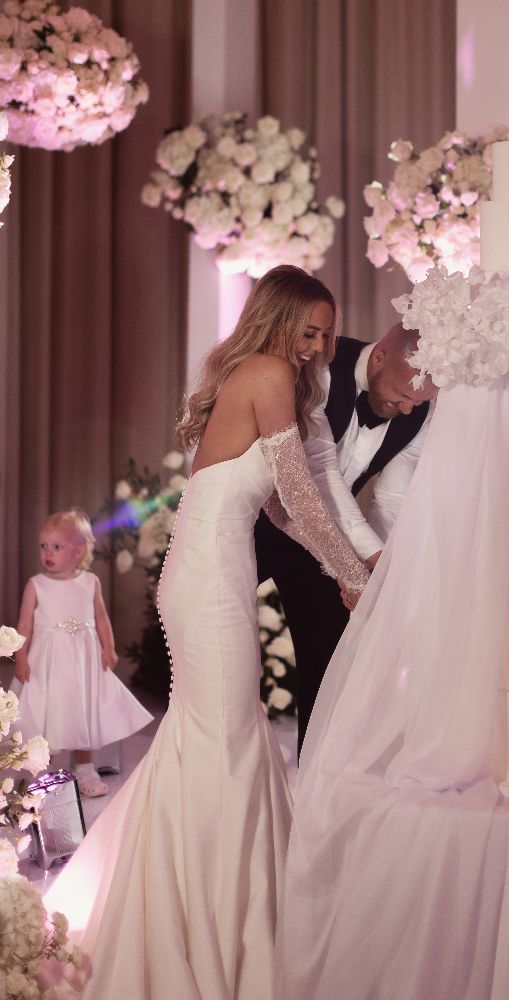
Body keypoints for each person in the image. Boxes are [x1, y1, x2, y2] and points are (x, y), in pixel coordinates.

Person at [44, 265, 371, 1000]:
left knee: (218, 737)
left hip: (214, 573)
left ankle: (212, 920)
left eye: (326, 334)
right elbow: (296, 491)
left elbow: (285, 510)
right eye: (309, 331)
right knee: (222, 740)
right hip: (208, 582)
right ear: (278, 321)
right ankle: (205, 934)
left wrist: (351, 567)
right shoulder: (265, 371)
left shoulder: (267, 374)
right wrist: (352, 573)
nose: (319, 348)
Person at [255, 321, 436, 753]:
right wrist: (369, 561)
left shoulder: (421, 412)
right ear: (378, 359)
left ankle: (314, 782)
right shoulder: (320, 367)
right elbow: (321, 476)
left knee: (329, 659)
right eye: (404, 394)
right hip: (262, 518)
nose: (409, 408)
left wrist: (387, 568)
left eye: (419, 401)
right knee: (221, 637)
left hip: (326, 543)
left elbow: (390, 500)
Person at [11, 509, 153, 798]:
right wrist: (21, 658)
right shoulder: (37, 585)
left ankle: (86, 770)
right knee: (47, 714)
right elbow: (23, 625)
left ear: (78, 551)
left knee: (81, 712)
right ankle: (45, 775)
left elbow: (101, 618)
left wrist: (109, 648)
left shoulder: (90, 583)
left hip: (83, 662)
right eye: (43, 545)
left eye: (56, 546)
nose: (47, 553)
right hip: (48, 664)